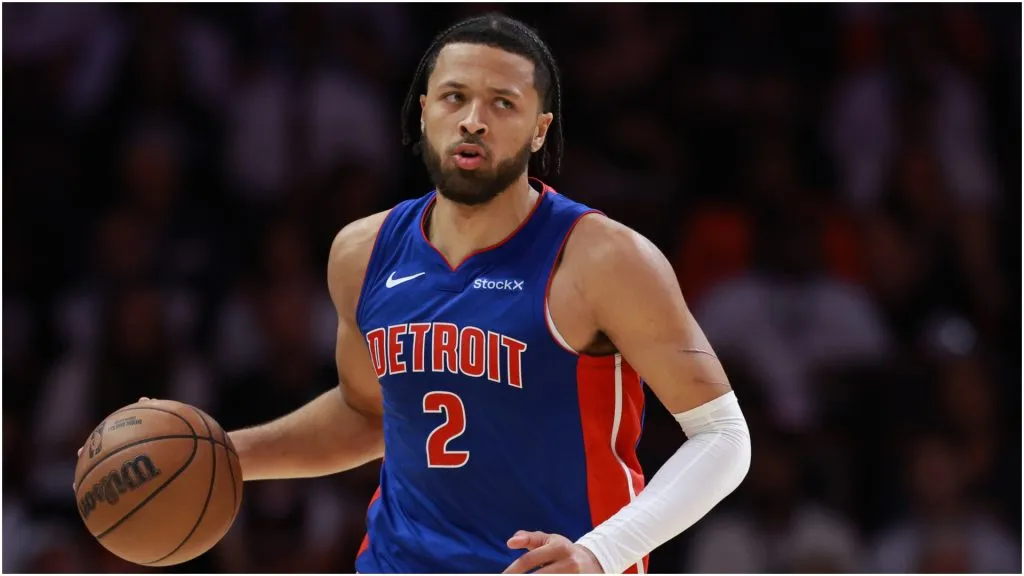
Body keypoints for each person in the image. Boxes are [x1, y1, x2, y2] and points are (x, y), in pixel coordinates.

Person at [90, 13, 752, 574]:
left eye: (503, 103)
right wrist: (226, 454)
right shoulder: (362, 252)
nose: (473, 120)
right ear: (424, 111)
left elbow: (723, 437)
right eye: (454, 97)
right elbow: (369, 413)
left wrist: (600, 553)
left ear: (540, 129)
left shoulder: (602, 258)